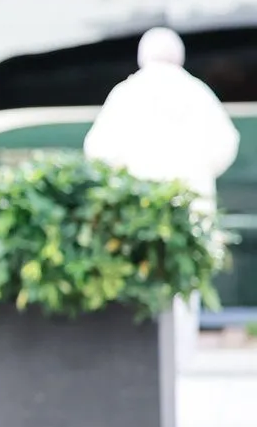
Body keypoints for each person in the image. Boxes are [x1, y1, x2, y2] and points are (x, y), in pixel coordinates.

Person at [84, 26, 239, 362]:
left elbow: (97, 150)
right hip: (190, 202)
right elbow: (226, 144)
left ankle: (144, 352)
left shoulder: (126, 93)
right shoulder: (197, 93)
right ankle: (181, 352)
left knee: (139, 273)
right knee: (186, 277)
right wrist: (200, 170)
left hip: (138, 205)